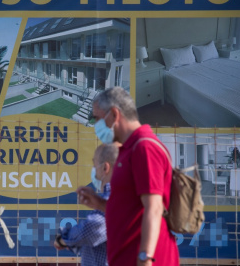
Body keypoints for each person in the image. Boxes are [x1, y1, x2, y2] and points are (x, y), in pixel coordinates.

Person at [77, 87, 179, 266]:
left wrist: (145, 257)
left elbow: (154, 208)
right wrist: (99, 203)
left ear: (114, 114)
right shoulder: (127, 151)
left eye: (98, 118)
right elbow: (130, 211)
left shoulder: (144, 148)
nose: (96, 125)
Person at [54, 143, 118, 266]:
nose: (94, 170)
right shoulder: (113, 197)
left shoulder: (112, 198)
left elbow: (91, 230)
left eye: (95, 165)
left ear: (105, 168)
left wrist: (63, 239)